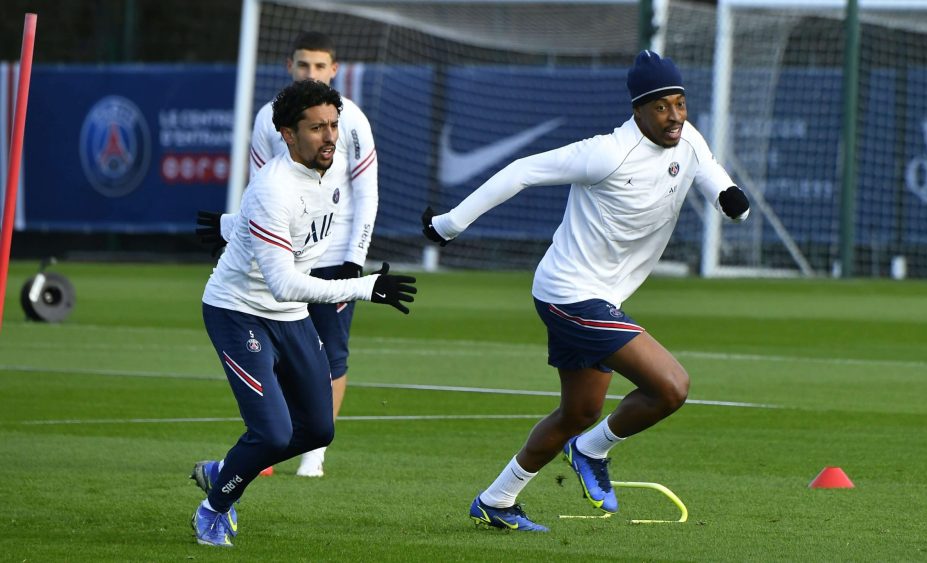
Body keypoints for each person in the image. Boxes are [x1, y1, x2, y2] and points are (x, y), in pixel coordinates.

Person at [421, 50, 749, 532]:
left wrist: (729, 197)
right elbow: (521, 172)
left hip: (601, 298)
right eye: (662, 107)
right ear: (638, 110)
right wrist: (449, 225)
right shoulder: (607, 153)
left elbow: (710, 170)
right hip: (569, 294)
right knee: (672, 386)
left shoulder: (688, 138)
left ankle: (498, 499)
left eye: (680, 103)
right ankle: (591, 450)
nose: (675, 115)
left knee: (580, 411)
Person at [191, 79, 415, 547]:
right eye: (316, 128)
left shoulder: (327, 173)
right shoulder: (273, 187)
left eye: (333, 125)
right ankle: (214, 509)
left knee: (317, 429)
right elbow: (284, 281)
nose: (330, 136)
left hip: (289, 315)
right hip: (239, 313)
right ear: (288, 134)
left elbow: (287, 238)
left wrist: (229, 226)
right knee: (272, 433)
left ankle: (225, 471)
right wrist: (366, 287)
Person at [239, 31, 380, 478]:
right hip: (288, 252)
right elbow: (260, 191)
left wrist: (356, 256)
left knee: (331, 354)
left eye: (320, 67)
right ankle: (267, 441)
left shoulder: (351, 119)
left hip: (336, 253)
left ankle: (314, 453)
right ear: (289, 67)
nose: (311, 73)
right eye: (304, 65)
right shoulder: (268, 120)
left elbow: (367, 190)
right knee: (278, 348)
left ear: (334, 70)